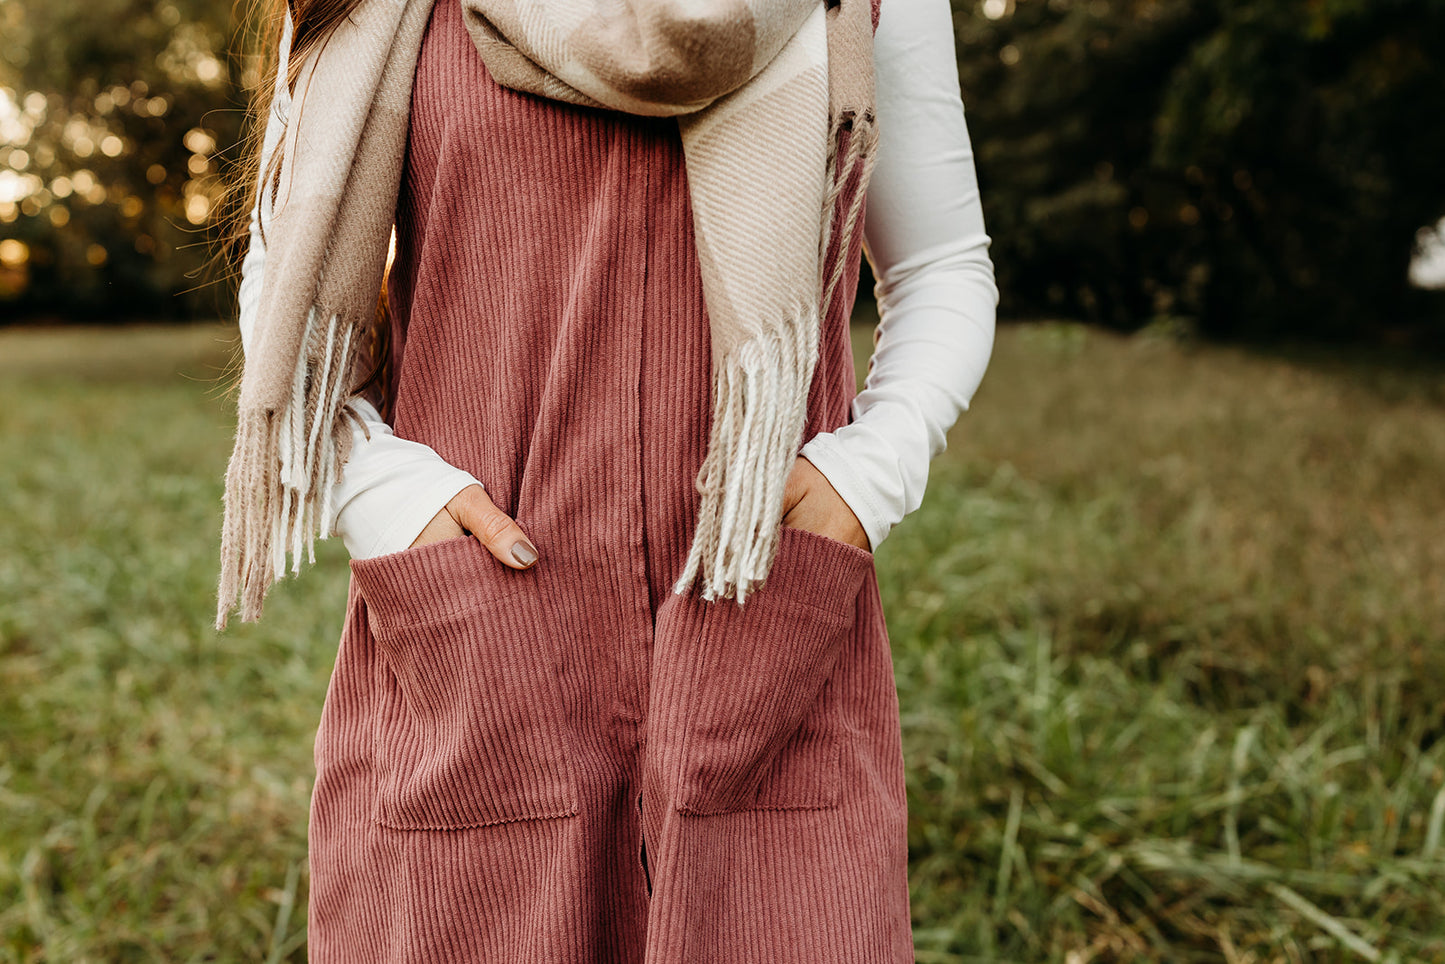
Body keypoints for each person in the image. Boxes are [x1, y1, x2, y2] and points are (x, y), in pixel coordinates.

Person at [222, 0, 996, 957]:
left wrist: (866, 476)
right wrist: (389, 501)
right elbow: (283, 279)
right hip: (480, 627)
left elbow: (941, 263)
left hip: (757, 603)